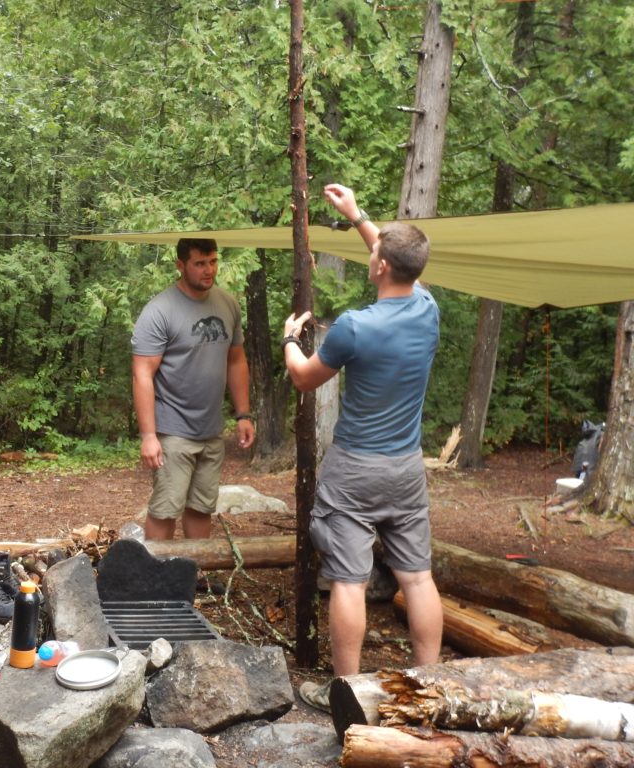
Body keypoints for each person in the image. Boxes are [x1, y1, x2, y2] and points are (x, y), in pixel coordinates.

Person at [283, 184, 443, 712]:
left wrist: (289, 339)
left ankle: (345, 693)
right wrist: (357, 217)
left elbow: (306, 379)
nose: (371, 253)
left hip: (354, 468)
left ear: (378, 268)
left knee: (349, 581)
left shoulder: (355, 327)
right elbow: (398, 258)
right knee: (416, 578)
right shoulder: (427, 308)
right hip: (405, 467)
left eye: (373, 251)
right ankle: (431, 685)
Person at [131, 237, 256, 544]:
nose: (208, 269)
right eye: (200, 263)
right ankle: (154, 581)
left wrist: (243, 414)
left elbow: (236, 360)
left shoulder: (227, 303)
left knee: (201, 507)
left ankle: (196, 577)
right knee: (165, 509)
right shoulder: (160, 310)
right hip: (173, 430)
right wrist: (149, 436)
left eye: (213, 261)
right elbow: (142, 373)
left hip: (211, 429)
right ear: (180, 265)